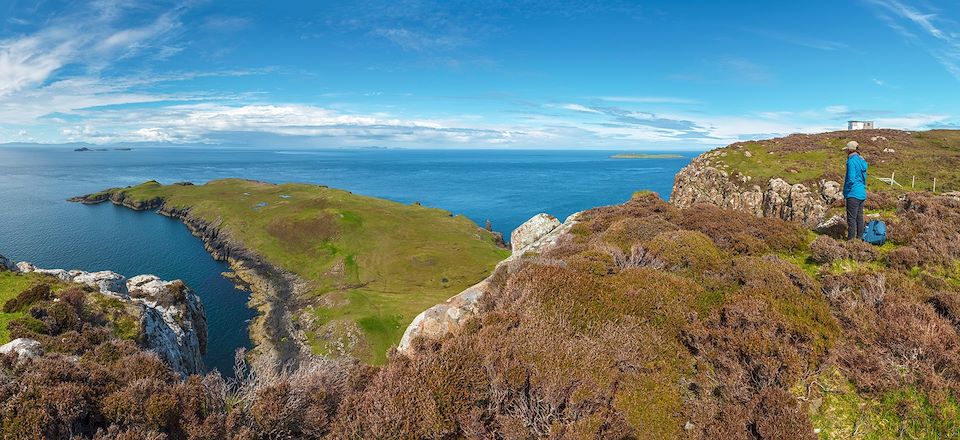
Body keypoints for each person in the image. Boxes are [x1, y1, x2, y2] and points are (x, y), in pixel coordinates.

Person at [843, 141, 868, 240]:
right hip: (861, 193)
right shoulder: (861, 161)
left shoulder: (851, 161)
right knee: (859, 217)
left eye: (846, 150)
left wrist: (846, 191)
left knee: (851, 219)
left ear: (849, 150)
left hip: (853, 193)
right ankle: (860, 238)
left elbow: (851, 178)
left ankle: (851, 241)